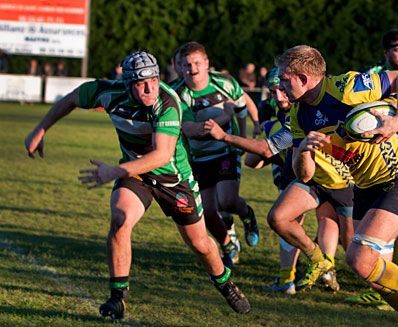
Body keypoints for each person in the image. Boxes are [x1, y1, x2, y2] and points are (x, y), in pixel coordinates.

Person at [24, 51, 251, 319]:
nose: (150, 88)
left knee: (200, 244)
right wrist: (40, 130)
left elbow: (161, 156)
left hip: (173, 179)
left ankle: (224, 282)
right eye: (142, 83)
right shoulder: (108, 93)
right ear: (128, 83)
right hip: (136, 174)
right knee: (120, 219)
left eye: (154, 80)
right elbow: (73, 98)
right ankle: (117, 298)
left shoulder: (168, 102)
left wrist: (113, 171)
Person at [277, 45, 398, 327]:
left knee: (358, 258)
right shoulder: (298, 116)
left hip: (397, 178)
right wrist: (303, 151)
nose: (280, 86)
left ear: (304, 78)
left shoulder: (347, 87)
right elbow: (304, 176)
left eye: (284, 79)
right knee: (368, 269)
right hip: (364, 187)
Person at [206, 67, 352, 294]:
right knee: (285, 219)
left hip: (341, 176)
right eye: (274, 91)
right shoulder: (271, 111)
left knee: (352, 242)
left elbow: (265, 149)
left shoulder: (308, 109)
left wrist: (227, 137)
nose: (279, 96)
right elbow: (255, 159)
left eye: (282, 90)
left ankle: (334, 270)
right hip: (301, 174)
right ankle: (292, 277)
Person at [172, 42, 261, 268]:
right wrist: (225, 116)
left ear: (207, 64)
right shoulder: (179, 93)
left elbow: (244, 103)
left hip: (225, 151)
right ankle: (229, 246)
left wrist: (250, 131)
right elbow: (192, 129)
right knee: (209, 212)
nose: (192, 69)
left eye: (197, 63)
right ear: (180, 67)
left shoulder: (224, 82)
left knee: (228, 201)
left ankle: (248, 215)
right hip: (198, 158)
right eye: (187, 64)